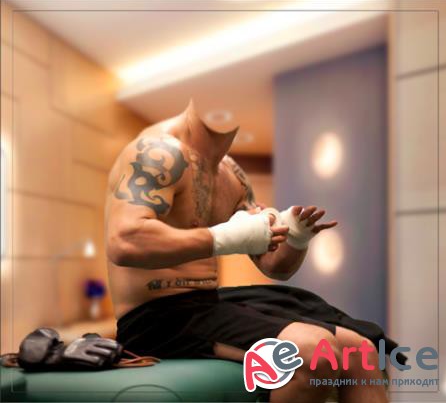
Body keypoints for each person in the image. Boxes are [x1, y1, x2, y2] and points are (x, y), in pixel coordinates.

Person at [106, 100, 388, 403]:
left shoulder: (232, 174)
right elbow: (125, 241)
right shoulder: (159, 152)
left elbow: (275, 267)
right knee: (313, 354)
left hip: (209, 305)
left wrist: (296, 237)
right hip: (153, 320)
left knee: (360, 350)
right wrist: (229, 237)